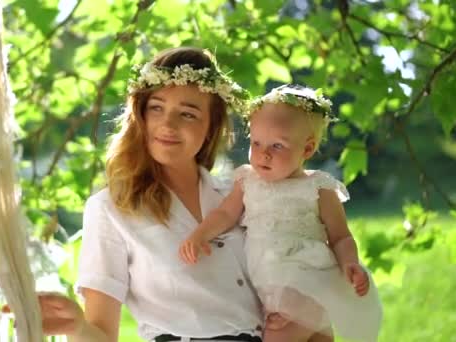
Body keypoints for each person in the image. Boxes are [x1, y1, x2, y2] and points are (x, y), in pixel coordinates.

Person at [38, 47, 265, 342]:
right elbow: (102, 333)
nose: (168, 125)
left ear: (210, 127)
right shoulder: (111, 209)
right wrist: (77, 327)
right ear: (140, 116)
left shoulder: (241, 196)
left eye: (187, 114)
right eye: (156, 108)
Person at [179, 85, 383, 342]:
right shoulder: (247, 181)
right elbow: (225, 214)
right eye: (256, 142)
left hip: (306, 285)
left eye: (277, 145)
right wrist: (201, 234)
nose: (264, 153)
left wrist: (350, 263)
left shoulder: (319, 188)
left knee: (276, 335)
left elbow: (341, 237)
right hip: (275, 289)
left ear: (307, 150)